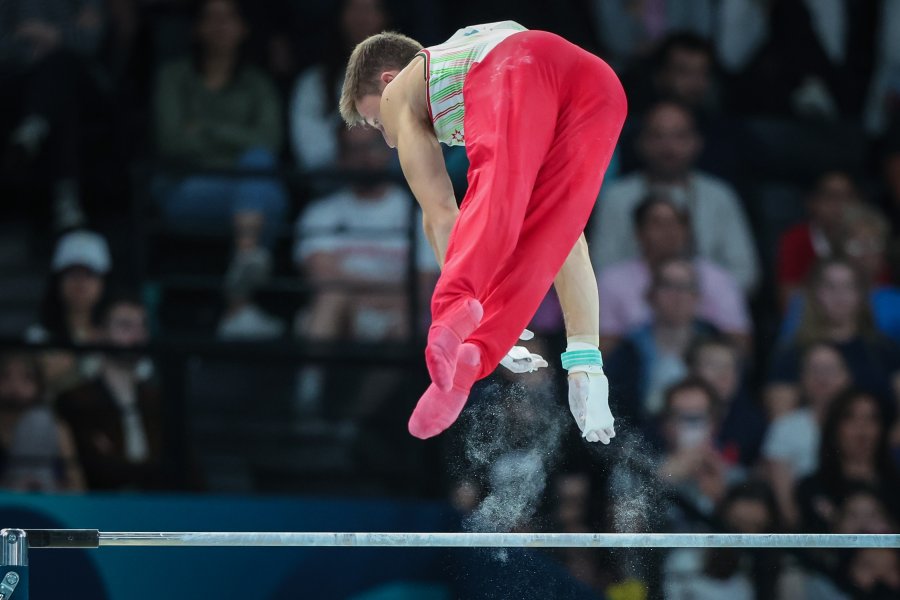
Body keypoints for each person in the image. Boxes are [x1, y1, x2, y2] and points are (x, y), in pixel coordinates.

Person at [339, 21, 626, 441]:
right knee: (555, 226)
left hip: (519, 64)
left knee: (494, 196)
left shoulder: (401, 91)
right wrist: (586, 358)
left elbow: (440, 213)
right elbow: (567, 242)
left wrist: (462, 309)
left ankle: (460, 318)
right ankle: (552, 358)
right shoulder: (475, 67)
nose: (389, 142)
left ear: (387, 83)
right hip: (600, 84)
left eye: (377, 123)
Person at [154, 0, 288, 338]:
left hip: (237, 187)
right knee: (263, 188)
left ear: (243, 29)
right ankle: (239, 302)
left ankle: (242, 277)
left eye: (228, 18)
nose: (219, 26)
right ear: (197, 28)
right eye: (211, 18)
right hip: (184, 189)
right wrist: (237, 149)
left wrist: (204, 130)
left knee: (259, 167)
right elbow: (171, 142)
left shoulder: (257, 83)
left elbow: (269, 141)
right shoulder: (173, 77)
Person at [293, 125, 438, 415]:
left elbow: (423, 290)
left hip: (395, 317)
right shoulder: (321, 212)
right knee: (331, 300)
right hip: (339, 314)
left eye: (371, 148)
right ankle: (306, 400)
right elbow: (322, 278)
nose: (364, 159)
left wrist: (353, 287)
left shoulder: (419, 214)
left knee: (407, 324)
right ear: (341, 158)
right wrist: (387, 289)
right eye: (353, 150)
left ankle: (356, 419)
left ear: (387, 152)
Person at [592, 100, 759, 291]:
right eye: (658, 136)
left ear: (697, 142)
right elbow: (601, 268)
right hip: (628, 313)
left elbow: (745, 273)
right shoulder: (616, 197)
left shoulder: (720, 195)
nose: (668, 147)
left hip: (707, 313)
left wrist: (687, 299)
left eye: (679, 136)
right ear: (641, 142)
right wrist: (655, 301)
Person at [597, 195, 750, 351]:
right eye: (658, 223)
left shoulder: (719, 279)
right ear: (639, 232)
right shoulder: (611, 281)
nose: (669, 231)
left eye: (676, 222)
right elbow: (601, 348)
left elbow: (741, 344)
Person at [56, 293, 166, 490]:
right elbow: (94, 473)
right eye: (125, 326)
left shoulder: (159, 400)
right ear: (99, 334)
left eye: (142, 326)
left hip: (161, 510)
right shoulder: (75, 400)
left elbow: (184, 469)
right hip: (99, 511)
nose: (137, 336)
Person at [768, 258, 900, 413]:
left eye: (848, 286)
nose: (839, 295)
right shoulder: (792, 353)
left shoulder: (885, 348)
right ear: (815, 293)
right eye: (830, 287)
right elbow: (782, 419)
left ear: (861, 295)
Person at [605, 258, 718, 421]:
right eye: (668, 286)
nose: (678, 296)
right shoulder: (628, 351)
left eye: (686, 287)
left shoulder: (716, 342)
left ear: (697, 297)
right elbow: (618, 410)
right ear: (650, 296)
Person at [289, 0, 390, 172]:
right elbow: (312, 158)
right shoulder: (314, 83)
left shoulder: (408, 76)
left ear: (385, 17)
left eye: (369, 9)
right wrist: (354, 152)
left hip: (398, 184)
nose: (362, 18)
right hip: (335, 184)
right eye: (355, 9)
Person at [762, 343, 851, 527]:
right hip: (806, 522)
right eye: (815, 370)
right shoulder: (785, 427)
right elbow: (785, 502)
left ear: (846, 377)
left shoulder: (864, 425)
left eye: (830, 369)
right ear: (803, 378)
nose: (822, 377)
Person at [795, 389, 900, 533]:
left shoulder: (895, 486)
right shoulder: (812, 488)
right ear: (835, 428)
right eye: (850, 418)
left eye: (871, 419)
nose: (862, 430)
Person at [26, 229, 111, 395]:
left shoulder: (117, 335)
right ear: (57, 281)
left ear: (103, 283)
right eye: (72, 273)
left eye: (89, 274)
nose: (80, 283)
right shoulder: (38, 336)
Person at [776, 171, 862, 309]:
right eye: (831, 197)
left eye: (847, 197)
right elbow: (788, 300)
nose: (840, 205)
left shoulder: (866, 238)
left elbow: (882, 294)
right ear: (812, 202)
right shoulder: (796, 239)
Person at [0, 353, 83, 491]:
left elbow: (78, 486)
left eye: (26, 378)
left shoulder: (55, 427)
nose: (15, 386)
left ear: (39, 384)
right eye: (5, 376)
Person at [686, 335, 765, 467]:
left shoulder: (754, 425)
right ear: (691, 371)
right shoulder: (666, 419)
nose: (724, 374)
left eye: (731, 367)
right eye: (714, 365)